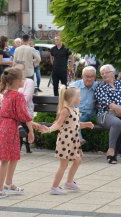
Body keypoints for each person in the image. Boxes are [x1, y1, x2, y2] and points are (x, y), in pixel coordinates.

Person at [41, 85, 94, 195]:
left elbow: (75, 124)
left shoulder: (75, 109)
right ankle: (54, 187)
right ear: (73, 98)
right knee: (63, 164)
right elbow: (59, 124)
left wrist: (86, 124)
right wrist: (49, 129)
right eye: (79, 96)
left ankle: (69, 182)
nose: (80, 98)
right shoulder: (65, 110)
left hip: (74, 140)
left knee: (78, 160)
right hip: (65, 140)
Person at [0, 68, 41, 198]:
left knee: (12, 156)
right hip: (10, 128)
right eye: (22, 78)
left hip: (6, 126)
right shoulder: (18, 96)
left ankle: (8, 184)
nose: (24, 80)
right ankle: (1, 188)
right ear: (17, 81)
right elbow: (24, 115)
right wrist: (31, 131)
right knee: (6, 159)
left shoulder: (6, 93)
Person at [70, 66, 98, 143]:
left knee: (74, 121)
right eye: (86, 76)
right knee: (74, 119)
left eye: (91, 76)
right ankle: (79, 139)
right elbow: (67, 101)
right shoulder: (74, 86)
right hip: (76, 113)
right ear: (82, 76)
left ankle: (77, 141)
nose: (89, 79)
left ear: (95, 77)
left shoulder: (98, 86)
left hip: (90, 114)